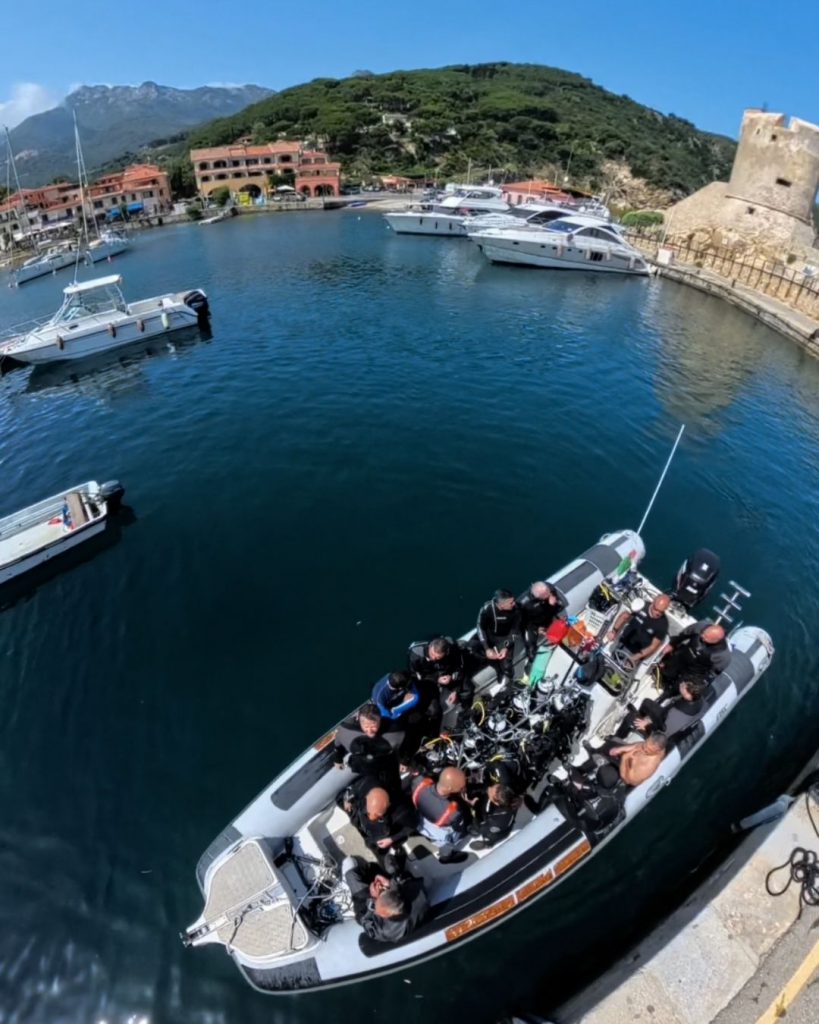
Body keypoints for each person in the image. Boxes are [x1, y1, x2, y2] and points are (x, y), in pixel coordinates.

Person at [341, 856, 428, 943]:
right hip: (392, 892)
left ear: (384, 917)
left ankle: (348, 890)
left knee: (350, 871)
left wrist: (372, 900)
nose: (376, 911)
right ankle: (371, 868)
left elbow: (363, 920)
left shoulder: (382, 931)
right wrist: (392, 883)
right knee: (387, 864)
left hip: (366, 911)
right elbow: (406, 878)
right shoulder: (417, 892)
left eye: (377, 909)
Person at [343, 783, 416, 870]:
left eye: (375, 815)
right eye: (368, 812)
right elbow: (350, 791)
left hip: (384, 833)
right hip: (367, 828)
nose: (370, 816)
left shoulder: (401, 813)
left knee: (385, 859)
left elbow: (412, 826)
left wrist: (391, 839)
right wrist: (346, 801)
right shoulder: (363, 787)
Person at [333, 704, 403, 793]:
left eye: (373, 726)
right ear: (358, 719)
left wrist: (405, 761)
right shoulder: (346, 728)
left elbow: (406, 743)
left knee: (395, 787)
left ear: (380, 720)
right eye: (366, 726)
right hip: (364, 766)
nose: (369, 730)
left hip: (387, 763)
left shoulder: (394, 730)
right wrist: (337, 759)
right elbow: (338, 744)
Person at [615, 678, 708, 742]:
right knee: (647, 702)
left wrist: (646, 724)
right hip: (664, 717)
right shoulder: (698, 699)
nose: (682, 683)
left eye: (684, 685)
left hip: (657, 734)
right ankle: (640, 715)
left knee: (630, 718)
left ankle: (617, 737)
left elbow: (664, 730)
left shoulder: (678, 713)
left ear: (688, 694)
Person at [411, 766, 471, 864]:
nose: (463, 789)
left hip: (418, 818)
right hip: (436, 830)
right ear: (450, 788)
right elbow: (460, 828)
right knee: (456, 835)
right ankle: (446, 856)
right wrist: (469, 805)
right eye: (461, 788)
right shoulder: (454, 811)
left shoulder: (419, 781)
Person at [660, 621, 731, 693]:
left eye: (706, 637)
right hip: (682, 655)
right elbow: (682, 635)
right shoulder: (700, 627)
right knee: (668, 670)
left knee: (676, 688)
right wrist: (671, 645)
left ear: (715, 640)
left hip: (693, 673)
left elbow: (712, 675)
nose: (702, 636)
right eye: (704, 633)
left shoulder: (723, 656)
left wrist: (696, 685)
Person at [408, 635, 474, 708]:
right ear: (430, 646)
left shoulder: (452, 650)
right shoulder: (415, 655)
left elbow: (459, 667)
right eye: (432, 654)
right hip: (429, 678)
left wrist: (455, 688)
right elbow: (416, 676)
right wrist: (437, 679)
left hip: (447, 672)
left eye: (438, 658)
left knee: (466, 686)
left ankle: (467, 706)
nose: (433, 658)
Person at [606, 594, 671, 667]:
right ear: (653, 602)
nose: (657, 613)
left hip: (636, 653)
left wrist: (635, 657)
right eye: (656, 609)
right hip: (623, 642)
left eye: (661, 612)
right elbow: (624, 616)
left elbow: (653, 647)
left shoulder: (663, 624)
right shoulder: (641, 605)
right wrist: (614, 631)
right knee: (608, 664)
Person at [475, 589, 523, 685]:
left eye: (513, 600)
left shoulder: (517, 609)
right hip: (489, 635)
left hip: (504, 637)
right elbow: (480, 627)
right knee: (474, 649)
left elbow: (515, 631)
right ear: (502, 605)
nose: (514, 603)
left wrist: (506, 647)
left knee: (507, 666)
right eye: (511, 603)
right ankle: (498, 670)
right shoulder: (487, 609)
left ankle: (510, 679)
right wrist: (487, 648)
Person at [519, 581, 567, 660]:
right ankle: (531, 655)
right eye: (545, 594)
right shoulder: (524, 604)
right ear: (537, 597)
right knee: (530, 643)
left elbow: (559, 606)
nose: (548, 594)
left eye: (548, 591)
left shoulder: (550, 589)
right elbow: (521, 622)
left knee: (562, 625)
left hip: (548, 614)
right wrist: (537, 629)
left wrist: (552, 605)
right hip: (533, 622)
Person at [602, 733, 668, 787]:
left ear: (657, 751)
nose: (644, 749)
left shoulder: (649, 766)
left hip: (627, 775)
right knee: (608, 743)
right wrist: (620, 749)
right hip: (630, 757)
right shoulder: (654, 746)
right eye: (645, 744)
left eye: (648, 750)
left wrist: (625, 758)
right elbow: (639, 745)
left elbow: (627, 781)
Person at [468, 782, 520, 849]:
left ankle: (489, 843)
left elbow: (482, 828)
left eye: (490, 793)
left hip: (496, 830)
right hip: (508, 820)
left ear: (496, 803)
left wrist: (472, 808)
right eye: (493, 786)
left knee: (481, 831)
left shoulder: (496, 821)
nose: (489, 789)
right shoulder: (511, 798)